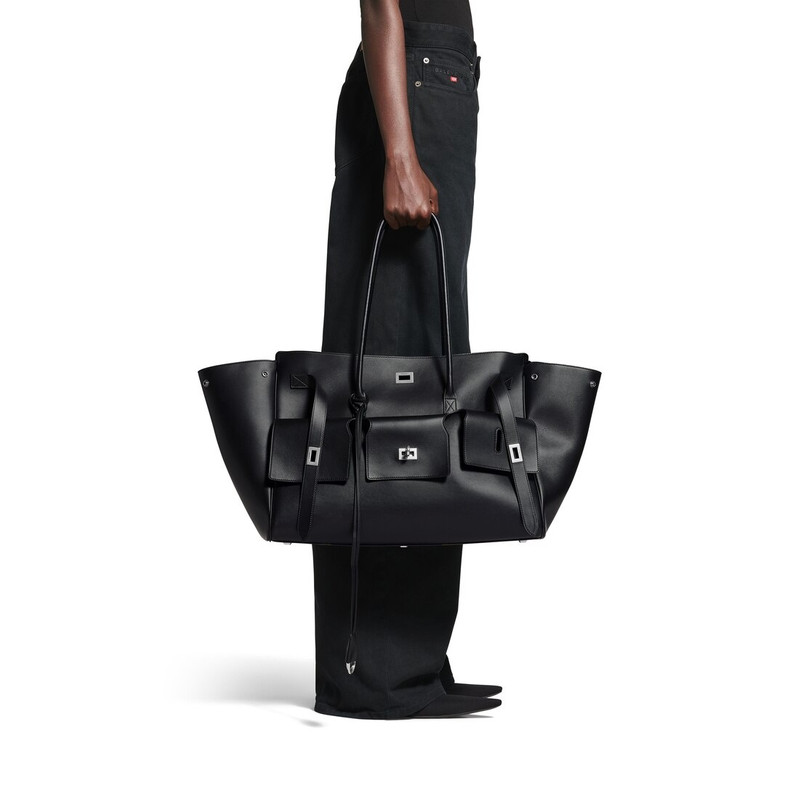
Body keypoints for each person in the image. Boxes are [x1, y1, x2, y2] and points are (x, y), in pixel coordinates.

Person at [313, 0, 501, 719]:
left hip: (429, 83)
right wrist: (399, 154)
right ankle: (375, 671)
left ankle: (410, 655)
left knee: (426, 378)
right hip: (414, 87)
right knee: (392, 385)